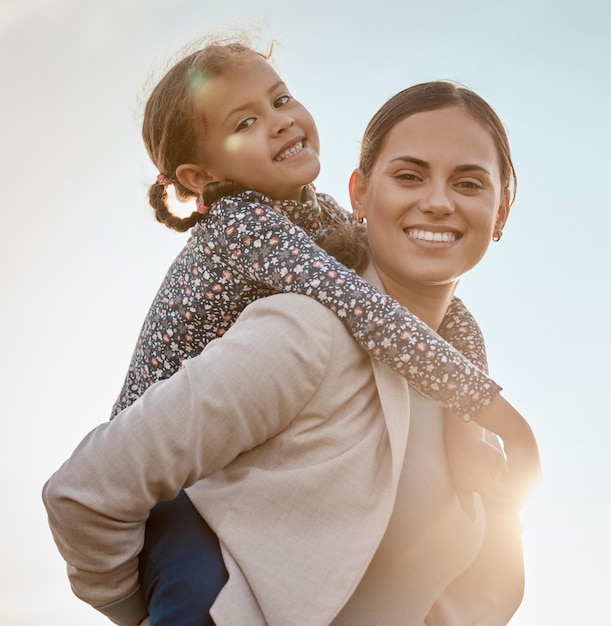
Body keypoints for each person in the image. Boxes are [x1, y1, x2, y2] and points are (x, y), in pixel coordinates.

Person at [43, 80, 540, 626]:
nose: (438, 201)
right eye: (409, 175)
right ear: (359, 194)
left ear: (500, 215)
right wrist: (144, 613)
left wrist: (479, 430)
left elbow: (472, 600)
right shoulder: (307, 331)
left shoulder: (461, 403)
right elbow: (85, 492)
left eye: (469, 183)